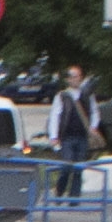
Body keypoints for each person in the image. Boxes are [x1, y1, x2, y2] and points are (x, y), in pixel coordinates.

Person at [45, 59, 105, 192]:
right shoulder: (62, 96)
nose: (75, 79)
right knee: (66, 166)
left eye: (78, 76)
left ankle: (74, 200)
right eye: (73, 77)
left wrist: (93, 127)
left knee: (79, 169)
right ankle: (59, 191)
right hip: (67, 137)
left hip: (82, 136)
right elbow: (55, 116)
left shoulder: (87, 96)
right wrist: (54, 136)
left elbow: (95, 112)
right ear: (68, 79)